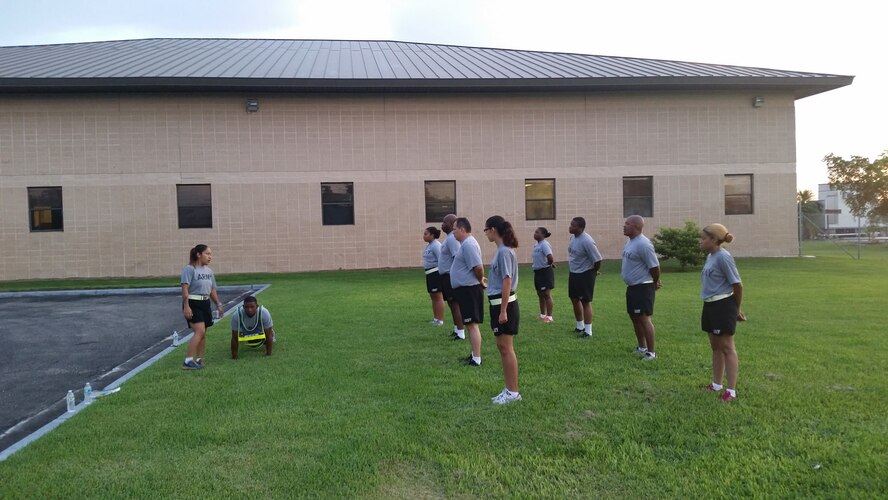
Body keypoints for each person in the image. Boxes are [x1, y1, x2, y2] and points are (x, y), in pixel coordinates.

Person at [699, 223, 746, 402]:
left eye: (703, 239)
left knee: (727, 347)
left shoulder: (723, 257)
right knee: (715, 347)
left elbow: (737, 285)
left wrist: (736, 309)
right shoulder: (711, 256)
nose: (700, 242)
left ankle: (731, 390)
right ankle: (716, 384)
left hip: (723, 306)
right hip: (709, 305)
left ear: (714, 240)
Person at [485, 216, 522, 404]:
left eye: (486, 230)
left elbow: (507, 281)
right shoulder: (502, 251)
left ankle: (513, 393)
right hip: (498, 303)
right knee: (502, 347)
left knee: (506, 348)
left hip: (503, 305)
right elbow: (501, 280)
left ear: (493, 229)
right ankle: (509, 390)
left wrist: (503, 310)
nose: (485, 234)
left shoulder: (504, 252)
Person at [621, 215, 662, 361]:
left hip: (643, 286)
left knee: (644, 318)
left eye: (627, 224)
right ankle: (642, 347)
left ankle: (651, 352)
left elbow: (654, 266)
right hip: (632, 287)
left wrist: (655, 281)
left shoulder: (644, 244)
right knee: (634, 318)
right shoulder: (630, 241)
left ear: (636, 227)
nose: (624, 226)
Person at [181, 244, 224, 370]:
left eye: (211, 254)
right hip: (193, 303)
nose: (210, 257)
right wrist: (186, 306)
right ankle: (188, 361)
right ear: (199, 254)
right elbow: (184, 289)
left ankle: (199, 359)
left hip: (205, 303)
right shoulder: (189, 269)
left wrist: (218, 304)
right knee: (200, 331)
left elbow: (212, 290)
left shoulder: (209, 271)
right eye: (207, 254)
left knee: (203, 333)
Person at [450, 217, 485, 365]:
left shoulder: (469, 244)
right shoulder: (465, 244)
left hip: (470, 289)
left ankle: (476, 359)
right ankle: (473, 355)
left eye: (455, 229)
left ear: (463, 229)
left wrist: (480, 280)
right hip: (465, 289)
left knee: (472, 324)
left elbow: (478, 267)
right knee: (469, 324)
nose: (453, 233)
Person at [567, 217, 602, 337]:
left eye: (573, 226)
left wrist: (593, 271)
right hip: (574, 273)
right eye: (570, 225)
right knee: (574, 299)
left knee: (585, 302)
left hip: (585, 274)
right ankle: (579, 326)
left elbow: (597, 259)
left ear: (580, 227)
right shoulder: (573, 238)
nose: (570, 227)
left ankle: (588, 331)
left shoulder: (587, 241)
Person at [439, 214, 466, 340]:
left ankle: (461, 332)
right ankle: (456, 329)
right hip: (445, 276)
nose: (442, 225)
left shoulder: (452, 239)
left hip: (450, 275)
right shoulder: (449, 238)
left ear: (451, 223)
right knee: (451, 303)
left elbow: (457, 257)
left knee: (455, 304)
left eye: (444, 222)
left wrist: (455, 274)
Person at [531, 227, 556, 324]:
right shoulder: (536, 245)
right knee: (540, 294)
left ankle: (549, 317)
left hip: (545, 272)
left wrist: (548, 264)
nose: (535, 234)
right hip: (538, 272)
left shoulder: (544, 244)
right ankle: (542, 315)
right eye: (535, 232)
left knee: (546, 294)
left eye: (537, 232)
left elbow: (550, 257)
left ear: (543, 235)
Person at [422, 226, 445, 326]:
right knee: (433, 297)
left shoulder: (436, 245)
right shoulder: (429, 245)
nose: (424, 236)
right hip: (429, 274)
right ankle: (435, 319)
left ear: (432, 235)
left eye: (426, 234)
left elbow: (442, 260)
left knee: (438, 297)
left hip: (435, 274)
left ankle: (440, 320)